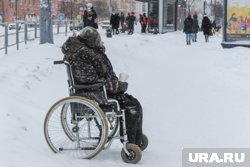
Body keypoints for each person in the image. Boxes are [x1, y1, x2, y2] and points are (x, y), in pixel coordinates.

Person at [61, 26, 144, 147]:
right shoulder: (82, 54)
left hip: (97, 89)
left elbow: (99, 75)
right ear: (90, 41)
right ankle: (132, 141)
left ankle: (135, 138)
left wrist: (116, 84)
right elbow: (90, 80)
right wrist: (117, 86)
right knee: (131, 105)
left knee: (133, 102)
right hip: (94, 92)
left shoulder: (86, 52)